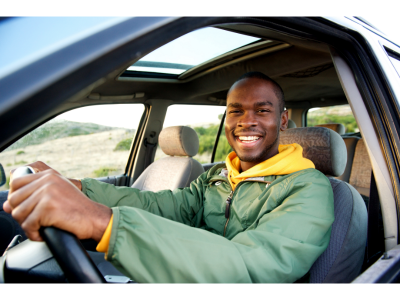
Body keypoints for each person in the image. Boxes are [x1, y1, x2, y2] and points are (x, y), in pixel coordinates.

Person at [3, 72, 334, 283]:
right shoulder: (218, 175)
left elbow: (251, 268)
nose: (246, 121)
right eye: (236, 110)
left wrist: (104, 223)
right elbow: (163, 206)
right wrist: (81, 189)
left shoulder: (309, 189)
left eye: (262, 111)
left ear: (284, 120)